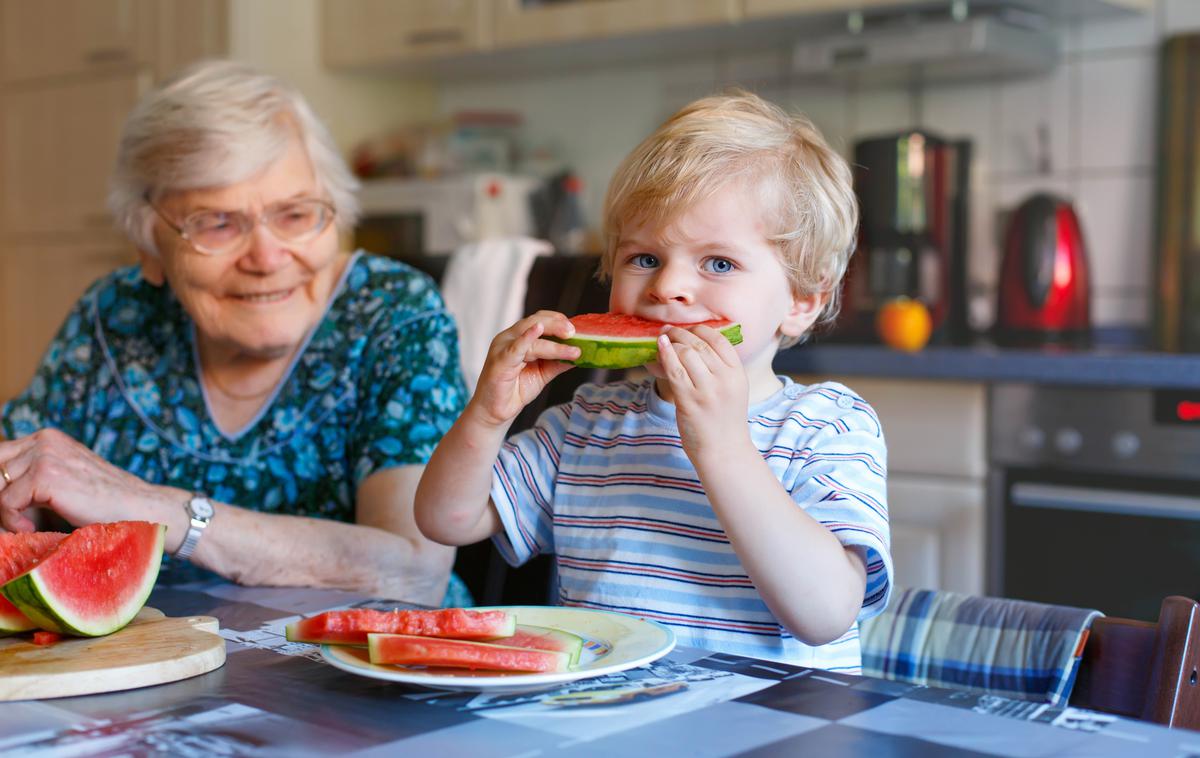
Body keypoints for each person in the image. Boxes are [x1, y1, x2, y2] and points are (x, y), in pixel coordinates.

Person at [415, 91, 892, 669]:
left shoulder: (827, 425)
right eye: (643, 258)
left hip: (770, 729)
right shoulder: (587, 423)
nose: (667, 287)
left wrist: (722, 447)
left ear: (801, 301)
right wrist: (488, 415)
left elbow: (825, 614)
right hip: (608, 719)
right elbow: (446, 519)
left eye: (718, 263)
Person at [0, 60, 471, 608]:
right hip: (146, 670)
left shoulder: (393, 312)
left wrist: (156, 509)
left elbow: (415, 569)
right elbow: (22, 469)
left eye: (295, 214)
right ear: (149, 245)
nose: (268, 259)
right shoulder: (116, 313)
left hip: (371, 680)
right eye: (217, 224)